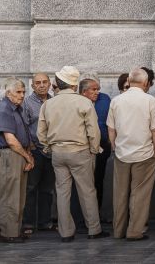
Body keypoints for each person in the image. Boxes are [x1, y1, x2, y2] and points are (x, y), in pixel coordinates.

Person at [39, 66, 107, 242]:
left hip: (58, 152)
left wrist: (48, 147)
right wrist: (94, 149)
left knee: (62, 193)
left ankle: (66, 233)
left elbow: (41, 132)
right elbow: (94, 131)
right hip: (80, 151)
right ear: (74, 85)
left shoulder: (48, 104)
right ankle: (94, 229)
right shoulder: (83, 102)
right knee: (87, 191)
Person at [107, 67, 155, 241]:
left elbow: (111, 128)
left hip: (122, 153)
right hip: (145, 153)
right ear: (146, 83)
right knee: (140, 194)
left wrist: (114, 147)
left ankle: (118, 231)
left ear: (129, 81)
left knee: (120, 194)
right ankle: (134, 231)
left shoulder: (116, 101)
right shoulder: (150, 101)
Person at [0, 78, 34, 244]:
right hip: (9, 155)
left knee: (18, 196)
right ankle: (8, 233)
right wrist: (27, 156)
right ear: (8, 93)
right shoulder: (4, 108)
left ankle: (15, 230)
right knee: (10, 196)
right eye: (18, 92)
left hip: (17, 154)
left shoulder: (16, 108)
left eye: (23, 92)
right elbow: (10, 139)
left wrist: (27, 154)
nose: (22, 95)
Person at [22, 72, 55, 234]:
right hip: (35, 150)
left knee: (47, 189)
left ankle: (45, 222)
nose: (41, 85)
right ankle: (28, 223)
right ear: (33, 86)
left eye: (44, 82)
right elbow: (24, 126)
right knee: (31, 188)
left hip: (52, 151)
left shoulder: (54, 101)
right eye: (38, 83)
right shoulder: (26, 103)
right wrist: (30, 148)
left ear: (49, 84)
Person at [79, 77, 112, 212]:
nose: (97, 92)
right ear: (84, 91)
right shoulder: (77, 102)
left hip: (101, 147)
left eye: (98, 89)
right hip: (82, 148)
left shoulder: (105, 99)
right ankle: (82, 216)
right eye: (94, 89)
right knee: (83, 182)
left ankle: (96, 213)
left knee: (98, 179)